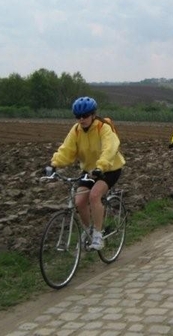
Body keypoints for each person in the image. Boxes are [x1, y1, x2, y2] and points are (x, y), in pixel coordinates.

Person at [49, 96, 125, 250]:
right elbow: (66, 150)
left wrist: (101, 166)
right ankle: (88, 229)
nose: (81, 119)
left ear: (93, 114)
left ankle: (98, 235)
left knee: (94, 195)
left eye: (85, 116)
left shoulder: (103, 127)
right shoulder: (76, 130)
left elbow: (109, 148)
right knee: (79, 201)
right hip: (89, 170)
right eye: (78, 116)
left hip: (110, 168)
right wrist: (54, 164)